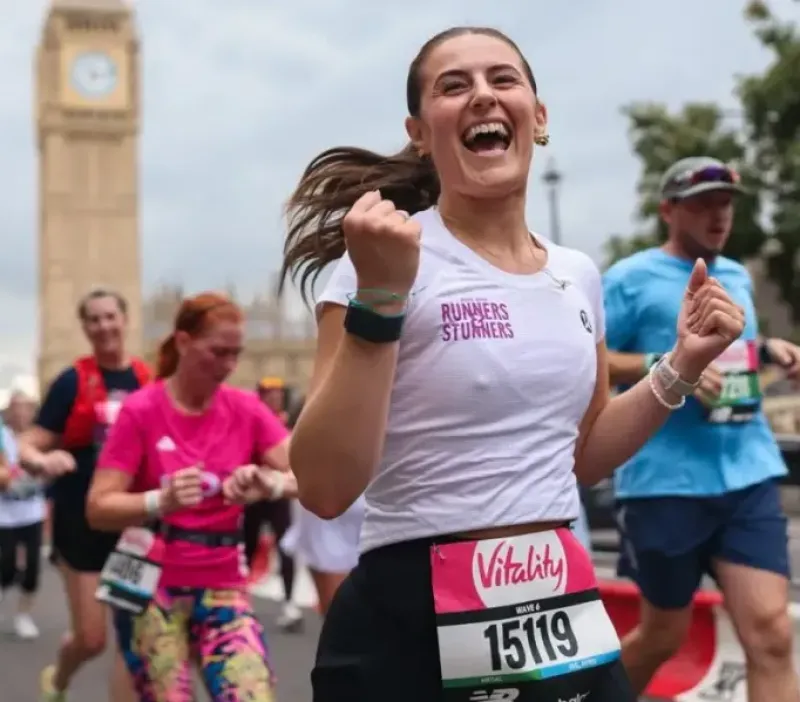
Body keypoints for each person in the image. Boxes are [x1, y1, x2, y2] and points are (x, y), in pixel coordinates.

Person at [279, 27, 746, 702]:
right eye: (453, 85)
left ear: (539, 114)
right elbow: (324, 488)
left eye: (502, 80)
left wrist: (679, 365)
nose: (481, 97)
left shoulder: (576, 272)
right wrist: (380, 299)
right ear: (419, 131)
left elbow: (582, 455)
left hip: (556, 599)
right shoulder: (378, 263)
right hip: (412, 613)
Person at [603, 156, 800, 702]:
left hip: (746, 474)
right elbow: (591, 359)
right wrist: (666, 366)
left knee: (773, 634)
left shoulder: (735, 275)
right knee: (663, 635)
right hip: (665, 482)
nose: (718, 216)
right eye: (702, 205)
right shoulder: (627, 278)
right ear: (668, 210)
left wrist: (772, 351)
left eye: (725, 204)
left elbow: (733, 354)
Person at [86, 291, 297, 702]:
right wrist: (157, 501)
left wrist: (268, 484)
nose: (229, 366)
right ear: (183, 342)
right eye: (218, 352)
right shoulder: (141, 410)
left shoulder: (246, 409)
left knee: (252, 693)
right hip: (154, 588)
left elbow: (312, 476)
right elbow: (98, 507)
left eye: (236, 354)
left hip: (223, 585)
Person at [19, 287, 149, 702]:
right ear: (85, 327)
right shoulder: (73, 381)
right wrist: (44, 461)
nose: (104, 326)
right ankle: (58, 679)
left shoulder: (148, 381)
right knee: (92, 639)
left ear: (125, 320)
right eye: (94, 319)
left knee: (133, 639)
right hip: (81, 525)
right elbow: (28, 444)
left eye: (111, 316)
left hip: (132, 528)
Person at [279, 398, 366, 615]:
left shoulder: (366, 444)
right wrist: (274, 485)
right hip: (328, 540)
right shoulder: (307, 454)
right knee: (342, 620)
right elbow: (298, 481)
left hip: (371, 541)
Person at [243, 376, 302, 631]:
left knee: (286, 547)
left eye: (278, 393)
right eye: (269, 393)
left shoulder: (288, 422)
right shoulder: (251, 422)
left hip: (279, 494)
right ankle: (241, 600)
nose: (274, 397)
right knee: (248, 546)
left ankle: (290, 602)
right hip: (255, 495)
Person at [0, 390, 46, 639]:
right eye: (16, 407)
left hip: (32, 513)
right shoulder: (2, 436)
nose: (21, 412)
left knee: (32, 570)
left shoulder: (40, 437)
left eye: (25, 407)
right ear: (9, 411)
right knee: (5, 567)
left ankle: (23, 616)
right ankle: (4, 584)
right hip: (4, 515)